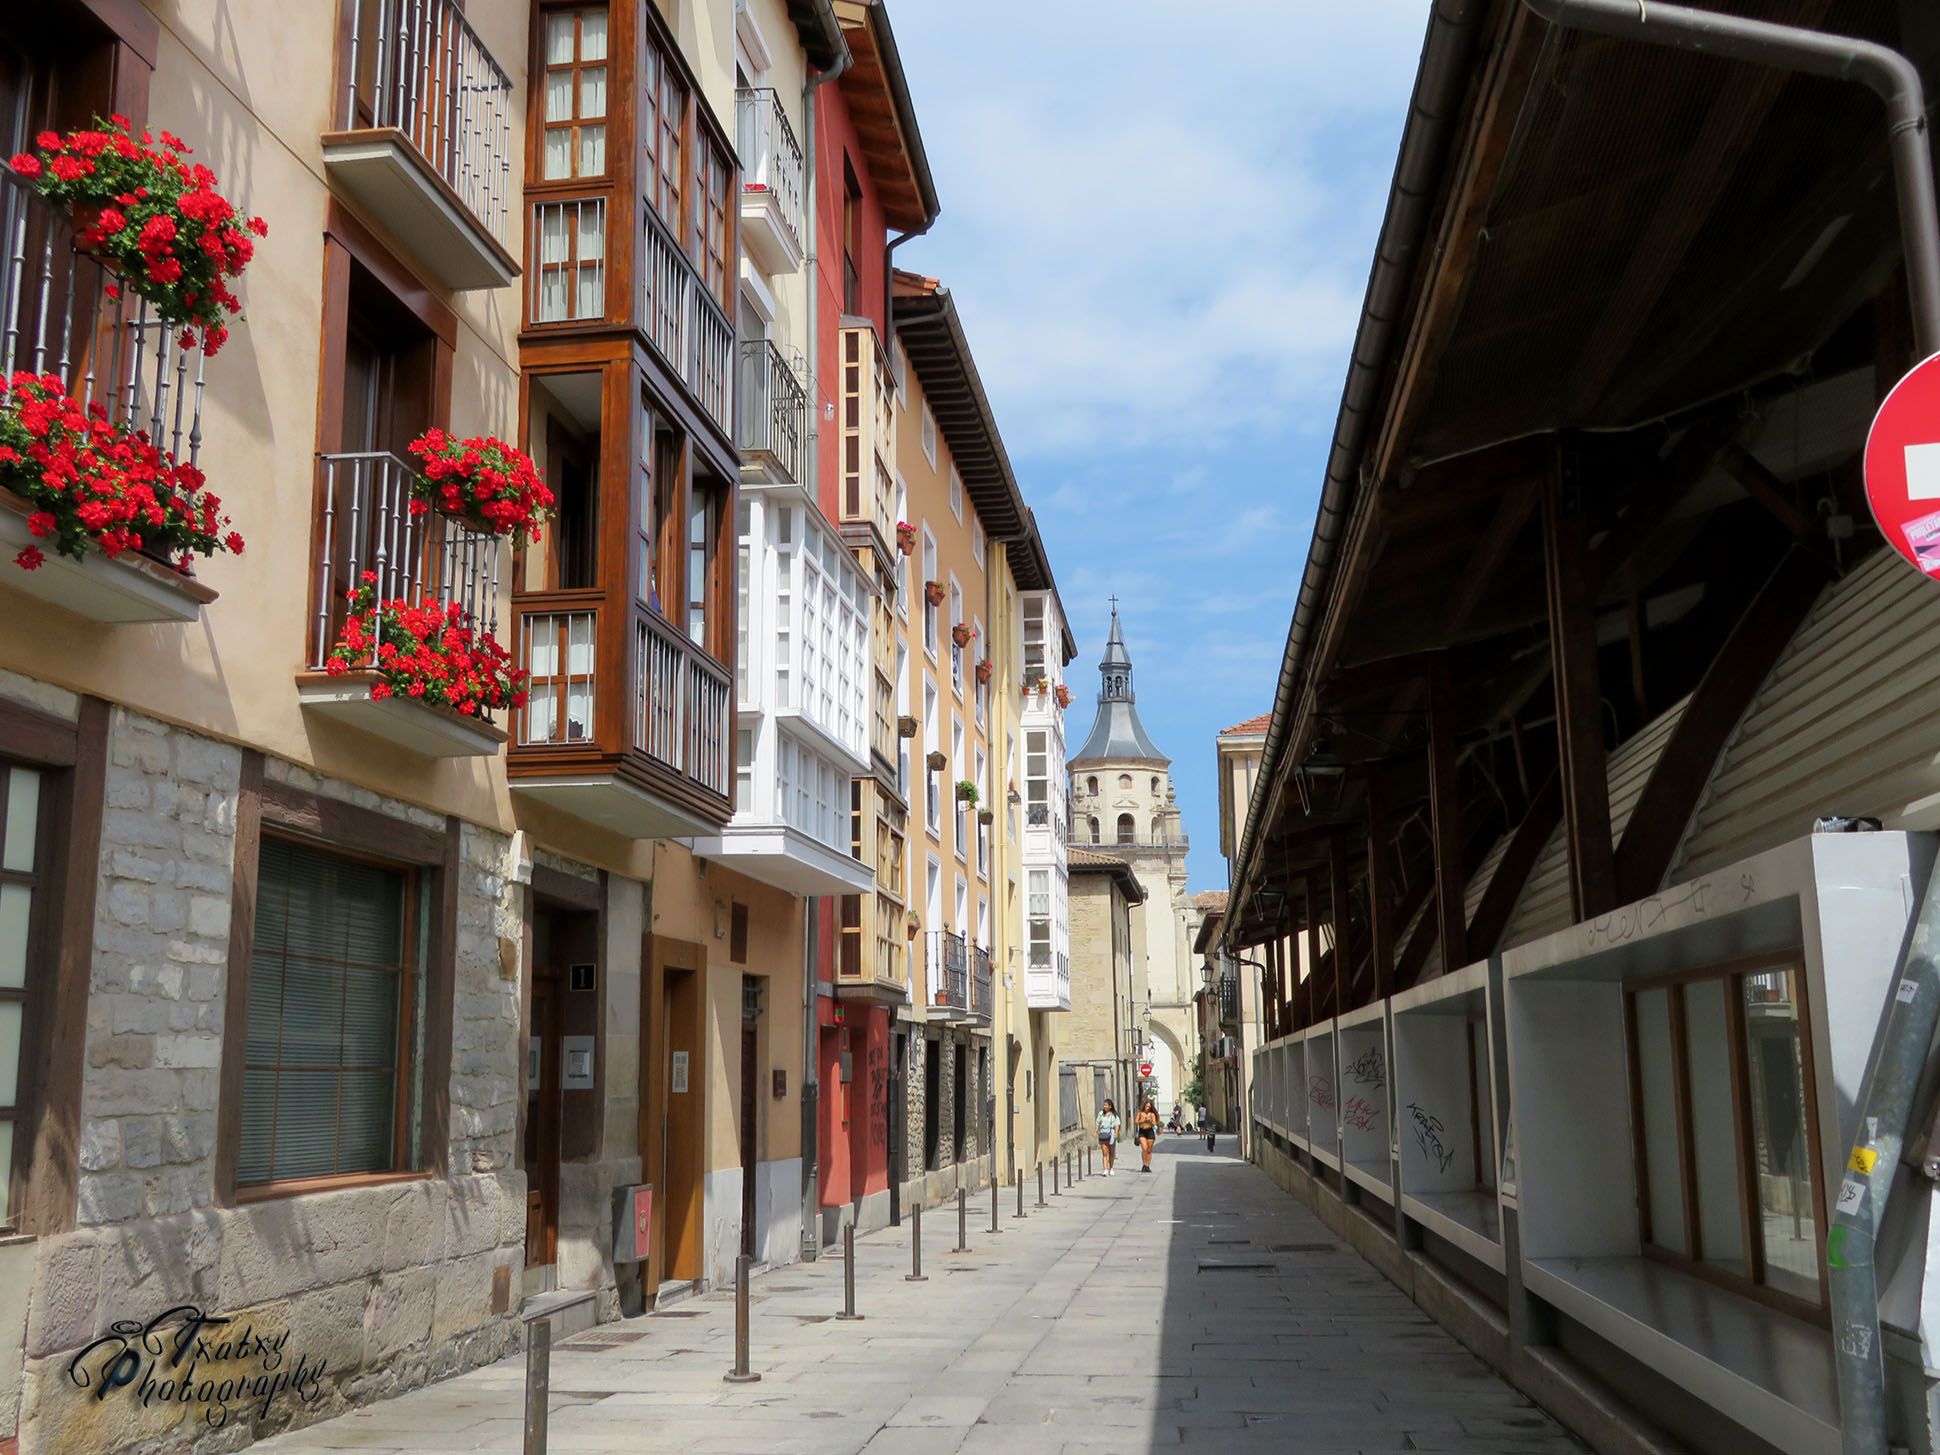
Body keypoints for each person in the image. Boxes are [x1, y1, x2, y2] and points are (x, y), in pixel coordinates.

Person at [1134, 1097, 1160, 1173]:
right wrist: (1141, 1120)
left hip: (1150, 1132)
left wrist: (1150, 1121)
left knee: (1149, 1150)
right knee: (1144, 1148)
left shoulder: (1152, 1114)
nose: (1147, 1108)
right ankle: (1144, 1164)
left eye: (1149, 1106)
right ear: (1144, 1106)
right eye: (1146, 1106)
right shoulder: (1140, 1113)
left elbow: (1154, 1123)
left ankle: (1147, 1165)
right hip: (1142, 1131)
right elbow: (1136, 1122)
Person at [1097, 1100, 1121, 1176]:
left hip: (1111, 1132)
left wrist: (1116, 1133)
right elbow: (1098, 1123)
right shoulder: (1101, 1114)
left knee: (1111, 1151)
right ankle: (1105, 1169)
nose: (1104, 1106)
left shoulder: (1114, 1115)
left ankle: (1111, 1168)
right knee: (1104, 1152)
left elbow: (1117, 1124)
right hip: (1103, 1132)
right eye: (1104, 1105)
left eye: (1106, 1105)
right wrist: (1096, 1131)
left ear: (1110, 1106)